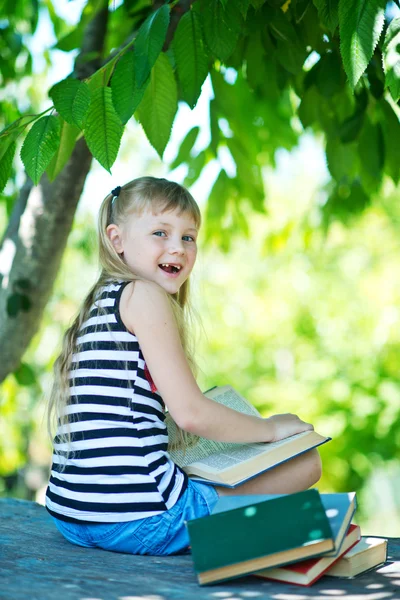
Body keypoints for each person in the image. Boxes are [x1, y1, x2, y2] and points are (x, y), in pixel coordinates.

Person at [45, 176, 321, 556]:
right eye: (161, 232)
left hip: (71, 515)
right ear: (116, 239)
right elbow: (190, 413)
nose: (178, 247)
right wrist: (269, 430)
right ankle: (249, 537)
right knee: (305, 462)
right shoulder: (144, 295)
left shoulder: (98, 304)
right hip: (143, 520)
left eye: (188, 237)